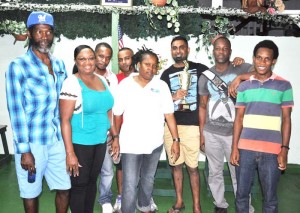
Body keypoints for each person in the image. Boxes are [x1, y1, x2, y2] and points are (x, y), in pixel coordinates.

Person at [5, 11, 71, 213]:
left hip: (57, 139)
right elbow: (16, 111)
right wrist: (24, 150)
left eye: (48, 32)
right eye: (39, 32)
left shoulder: (59, 65)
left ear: (53, 34)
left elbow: (65, 103)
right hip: (32, 142)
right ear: (30, 33)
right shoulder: (18, 66)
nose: (44, 37)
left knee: (65, 188)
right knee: (31, 193)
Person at [113, 47, 180, 213]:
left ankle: (143, 205)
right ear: (138, 65)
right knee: (129, 183)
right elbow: (116, 114)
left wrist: (176, 140)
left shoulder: (161, 86)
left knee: (148, 179)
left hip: (154, 143)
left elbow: (169, 115)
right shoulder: (125, 85)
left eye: (154, 65)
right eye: (147, 64)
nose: (151, 68)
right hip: (130, 144)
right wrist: (115, 138)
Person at [230, 40, 294, 213]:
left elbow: (287, 119)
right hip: (245, 149)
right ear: (254, 58)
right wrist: (234, 148)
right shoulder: (243, 87)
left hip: (272, 151)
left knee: (270, 199)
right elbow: (239, 119)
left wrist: (284, 150)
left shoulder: (284, 85)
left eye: (267, 59)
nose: (262, 62)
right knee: (242, 196)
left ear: (273, 61)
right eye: (259, 58)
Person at [59, 45, 119, 213]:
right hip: (80, 143)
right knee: (79, 186)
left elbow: (108, 111)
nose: (87, 62)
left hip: (100, 141)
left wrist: (115, 137)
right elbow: (64, 120)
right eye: (82, 59)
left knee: (92, 182)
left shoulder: (101, 80)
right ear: (76, 61)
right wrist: (70, 153)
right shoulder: (71, 83)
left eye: (91, 58)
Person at [198, 37, 254, 213]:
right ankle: (220, 204)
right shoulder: (205, 76)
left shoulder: (241, 67)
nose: (221, 52)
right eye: (218, 48)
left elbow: (261, 73)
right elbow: (202, 106)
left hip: (234, 133)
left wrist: (240, 77)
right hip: (211, 132)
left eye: (225, 49)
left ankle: (243, 205)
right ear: (213, 51)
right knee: (215, 172)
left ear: (230, 51)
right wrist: (202, 134)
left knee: (238, 172)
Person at [160, 36, 208, 213]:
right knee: (176, 165)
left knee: (193, 168)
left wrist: (236, 64)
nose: (178, 51)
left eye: (181, 47)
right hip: (171, 127)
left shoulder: (200, 69)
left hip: (193, 127)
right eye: (174, 48)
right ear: (171, 51)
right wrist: (173, 97)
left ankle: (197, 205)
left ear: (187, 50)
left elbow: (219, 77)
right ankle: (179, 201)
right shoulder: (165, 74)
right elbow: (159, 100)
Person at [94, 42, 118, 213]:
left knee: (107, 169)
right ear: (94, 54)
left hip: (106, 130)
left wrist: (114, 132)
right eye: (101, 55)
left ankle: (104, 199)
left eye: (108, 57)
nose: (104, 60)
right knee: (86, 169)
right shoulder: (83, 74)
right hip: (86, 131)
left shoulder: (113, 77)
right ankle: (83, 199)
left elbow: (114, 106)